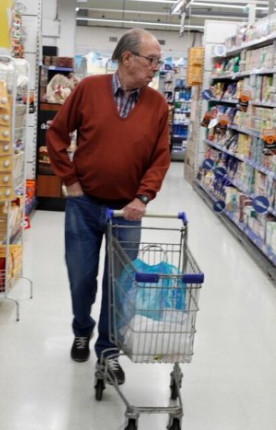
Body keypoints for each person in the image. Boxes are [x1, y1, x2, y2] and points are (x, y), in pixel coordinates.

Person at [46, 28, 171, 385]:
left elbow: (161, 158)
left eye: (158, 63)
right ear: (127, 58)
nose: (155, 69)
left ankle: (109, 350)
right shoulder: (88, 90)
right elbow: (56, 134)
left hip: (127, 211)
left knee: (120, 286)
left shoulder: (158, 104)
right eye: (152, 60)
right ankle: (82, 328)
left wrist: (143, 196)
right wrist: (69, 180)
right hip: (84, 206)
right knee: (82, 276)